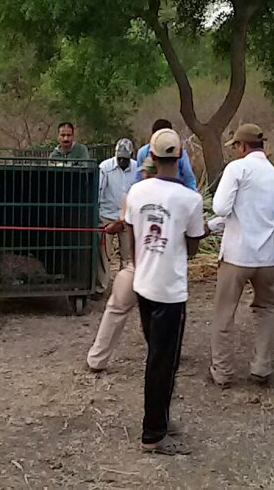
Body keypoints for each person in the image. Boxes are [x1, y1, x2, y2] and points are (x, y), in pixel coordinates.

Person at [125, 128, 206, 455]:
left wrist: (140, 263)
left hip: (143, 284)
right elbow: (194, 246)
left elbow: (131, 235)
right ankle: (153, 433)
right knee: (163, 362)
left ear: (152, 157)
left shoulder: (136, 192)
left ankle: (160, 416)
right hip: (170, 291)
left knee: (158, 357)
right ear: (180, 158)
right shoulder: (191, 199)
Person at [207, 124, 274, 389]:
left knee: (225, 313)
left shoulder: (237, 169)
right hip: (268, 256)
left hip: (237, 255)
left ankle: (223, 370)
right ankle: (261, 366)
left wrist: (213, 223)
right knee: (265, 310)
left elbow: (220, 207)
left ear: (241, 146)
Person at [87, 160, 158, 373]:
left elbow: (123, 223)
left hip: (138, 265)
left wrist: (111, 228)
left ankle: (96, 360)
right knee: (163, 313)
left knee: (116, 309)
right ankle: (164, 356)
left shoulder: (134, 195)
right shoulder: (185, 197)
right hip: (164, 268)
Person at [97, 138, 137, 293]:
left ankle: (125, 288)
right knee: (104, 255)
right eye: (119, 158)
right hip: (106, 215)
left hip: (127, 217)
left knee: (128, 255)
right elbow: (99, 191)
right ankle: (102, 287)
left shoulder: (136, 168)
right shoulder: (105, 167)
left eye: (125, 159)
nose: (122, 162)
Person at [134, 119, 198, 191]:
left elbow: (189, 178)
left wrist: (191, 195)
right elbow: (139, 177)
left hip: (174, 193)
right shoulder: (143, 152)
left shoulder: (179, 153)